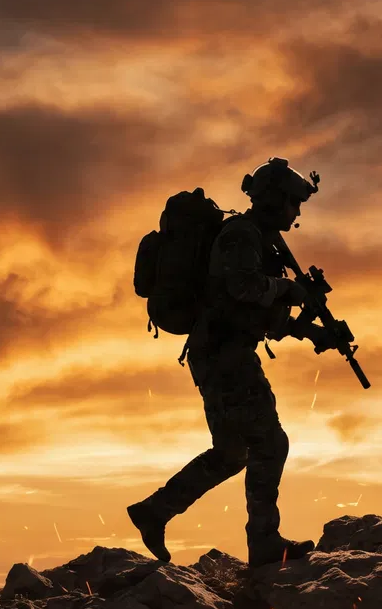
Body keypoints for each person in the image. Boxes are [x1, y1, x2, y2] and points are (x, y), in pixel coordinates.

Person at [127, 157, 326, 568]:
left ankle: (154, 511)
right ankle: (265, 543)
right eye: (293, 202)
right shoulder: (241, 236)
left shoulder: (257, 239)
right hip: (225, 357)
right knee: (270, 443)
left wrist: (309, 331)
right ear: (273, 201)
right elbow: (241, 288)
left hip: (220, 353)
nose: (298, 212)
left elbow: (254, 312)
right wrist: (288, 289)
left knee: (232, 452)